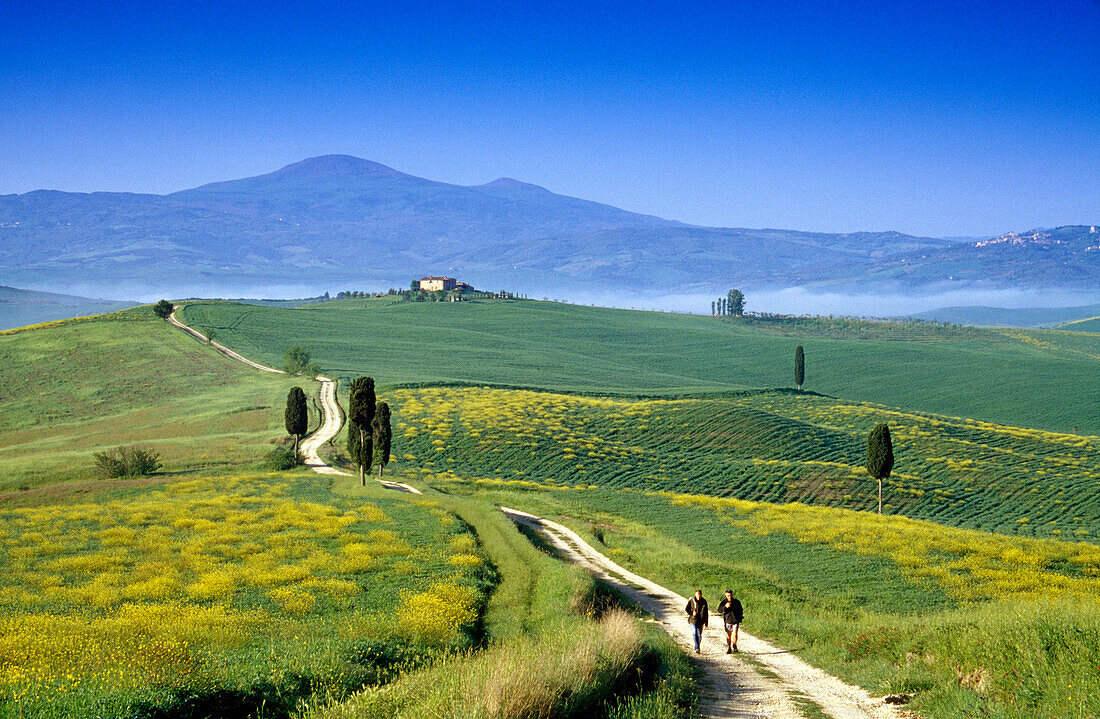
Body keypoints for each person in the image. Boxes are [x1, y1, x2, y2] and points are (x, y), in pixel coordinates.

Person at [717, 589, 743, 653]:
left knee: (735, 633)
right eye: (728, 596)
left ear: (732, 595)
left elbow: (741, 610)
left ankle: (734, 644)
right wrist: (725, 607)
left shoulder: (736, 602)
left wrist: (740, 617)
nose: (729, 597)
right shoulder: (723, 602)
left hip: (735, 620)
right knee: (728, 635)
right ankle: (729, 647)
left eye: (730, 595)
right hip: (728, 620)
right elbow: (719, 610)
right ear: (726, 595)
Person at [685, 589, 708, 653]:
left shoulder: (704, 601)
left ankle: (697, 646)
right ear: (695, 594)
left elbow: (706, 612)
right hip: (693, 620)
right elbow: (686, 609)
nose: (699, 596)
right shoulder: (692, 600)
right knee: (694, 633)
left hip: (701, 621)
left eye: (700, 594)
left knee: (699, 636)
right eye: (698, 595)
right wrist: (692, 613)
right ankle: (697, 648)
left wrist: (706, 623)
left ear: (701, 594)